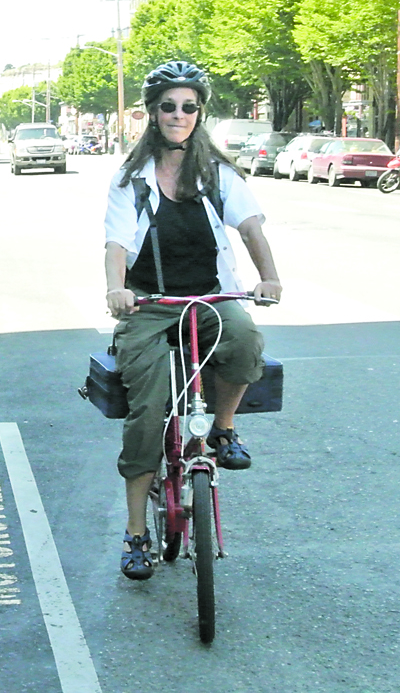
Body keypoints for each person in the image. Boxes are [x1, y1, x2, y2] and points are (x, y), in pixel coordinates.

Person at [103, 61, 282, 581]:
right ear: (152, 114)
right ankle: (136, 531)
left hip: (209, 294)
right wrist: (117, 290)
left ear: (199, 112)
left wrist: (269, 278)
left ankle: (224, 429)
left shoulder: (217, 174)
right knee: (147, 410)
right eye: (168, 106)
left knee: (246, 339)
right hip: (148, 304)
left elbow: (251, 230)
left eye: (188, 106)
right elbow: (116, 243)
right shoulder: (130, 179)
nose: (178, 115)